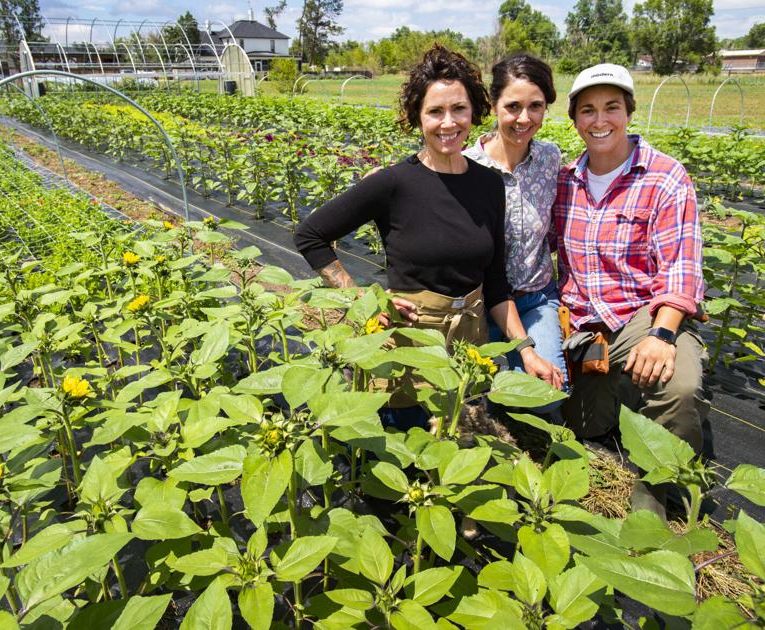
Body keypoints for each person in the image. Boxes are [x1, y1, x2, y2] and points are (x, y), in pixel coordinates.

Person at [294, 44, 530, 431]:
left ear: (474, 112)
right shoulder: (393, 183)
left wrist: (524, 348)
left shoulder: (489, 184)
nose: (448, 123)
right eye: (435, 111)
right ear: (417, 117)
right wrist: (364, 301)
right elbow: (311, 235)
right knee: (404, 450)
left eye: (459, 109)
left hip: (469, 340)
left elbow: (497, 283)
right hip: (410, 341)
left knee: (456, 447)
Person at [553, 63, 709, 516]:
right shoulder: (565, 181)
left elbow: (682, 265)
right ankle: (614, 392)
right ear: (575, 119)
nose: (600, 120)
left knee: (676, 385)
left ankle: (654, 493)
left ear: (629, 111)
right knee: (583, 426)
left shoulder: (664, 176)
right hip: (583, 325)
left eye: (611, 107)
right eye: (587, 110)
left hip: (641, 315)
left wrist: (661, 337)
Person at [462, 53, 565, 402]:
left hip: (535, 301)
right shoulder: (466, 167)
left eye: (535, 106)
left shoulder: (550, 158)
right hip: (480, 307)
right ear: (493, 105)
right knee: (468, 397)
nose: (524, 118)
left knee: (542, 400)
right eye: (513, 106)